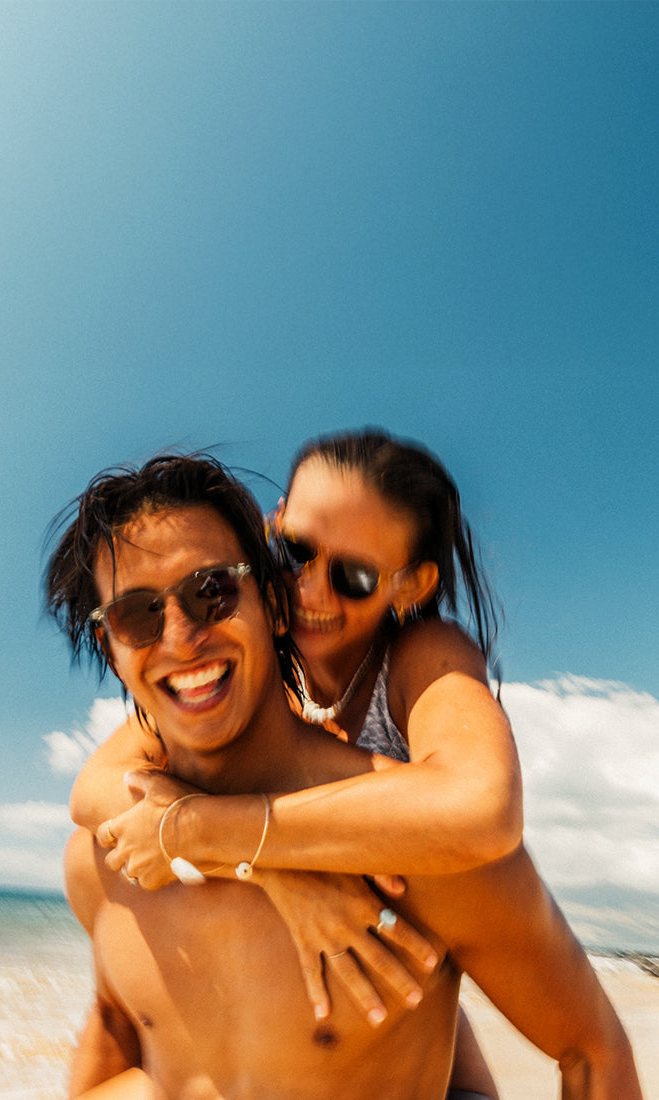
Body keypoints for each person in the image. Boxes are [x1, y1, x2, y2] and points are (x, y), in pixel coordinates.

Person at [48, 450, 642, 1100]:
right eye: (137, 615)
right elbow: (116, 1022)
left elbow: (591, 1047)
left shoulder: (418, 835)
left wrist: (207, 832)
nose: (182, 636)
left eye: (212, 590)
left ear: (267, 603)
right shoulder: (104, 861)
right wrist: (263, 862)